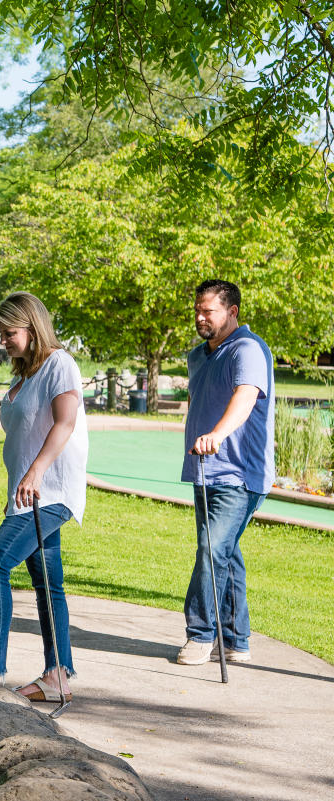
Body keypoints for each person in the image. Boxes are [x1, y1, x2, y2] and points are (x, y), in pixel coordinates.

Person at [0, 292, 87, 703]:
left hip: (53, 489)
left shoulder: (59, 364)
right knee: (48, 584)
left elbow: (65, 423)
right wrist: (18, 489)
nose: (2, 340)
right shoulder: (22, 376)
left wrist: (35, 472)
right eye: (1, 333)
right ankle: (57, 677)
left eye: (10, 333)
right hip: (30, 495)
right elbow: (24, 436)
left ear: (33, 328)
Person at [177, 280, 274, 666]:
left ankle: (200, 634)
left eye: (209, 311)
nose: (200, 317)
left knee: (212, 549)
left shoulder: (247, 349)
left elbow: (245, 396)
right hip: (205, 469)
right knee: (224, 552)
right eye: (197, 311)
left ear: (232, 311)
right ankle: (236, 640)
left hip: (241, 474)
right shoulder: (198, 355)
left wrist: (217, 434)